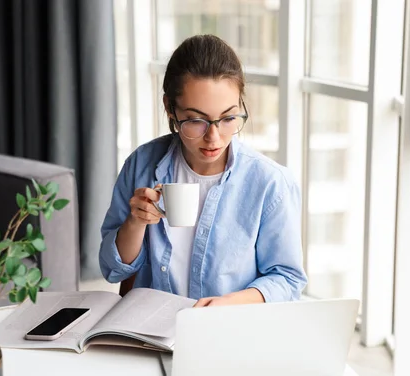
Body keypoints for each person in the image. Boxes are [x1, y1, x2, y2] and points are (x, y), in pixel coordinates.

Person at [99, 34, 307, 307]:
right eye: (196, 120)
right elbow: (113, 270)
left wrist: (231, 303)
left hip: (229, 331)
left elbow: (288, 279)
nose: (214, 137)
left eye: (229, 118)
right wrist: (136, 222)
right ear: (169, 108)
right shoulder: (142, 164)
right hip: (150, 330)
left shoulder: (270, 183)